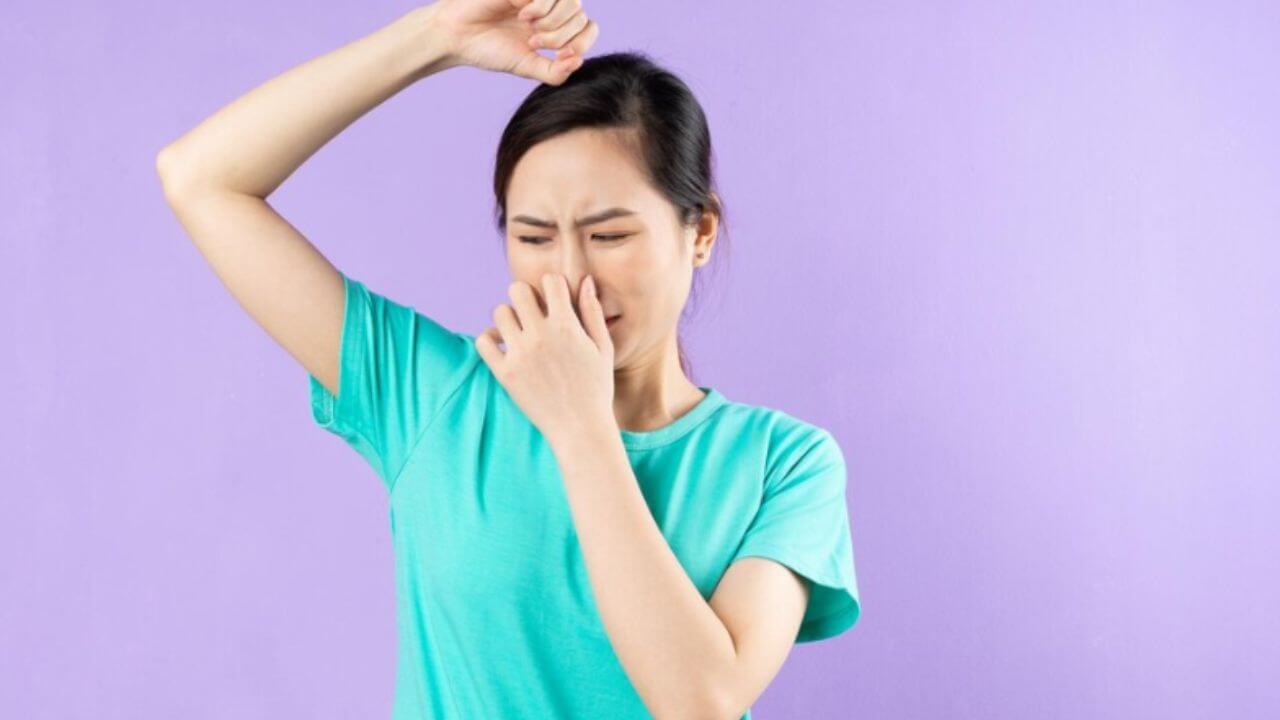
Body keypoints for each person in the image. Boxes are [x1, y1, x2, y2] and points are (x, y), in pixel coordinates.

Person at [156, 1, 860, 718]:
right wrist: (434, 38)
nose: (571, 275)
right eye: (533, 238)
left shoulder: (784, 464)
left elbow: (700, 702)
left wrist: (582, 428)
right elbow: (200, 178)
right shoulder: (436, 396)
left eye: (610, 236)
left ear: (700, 232)